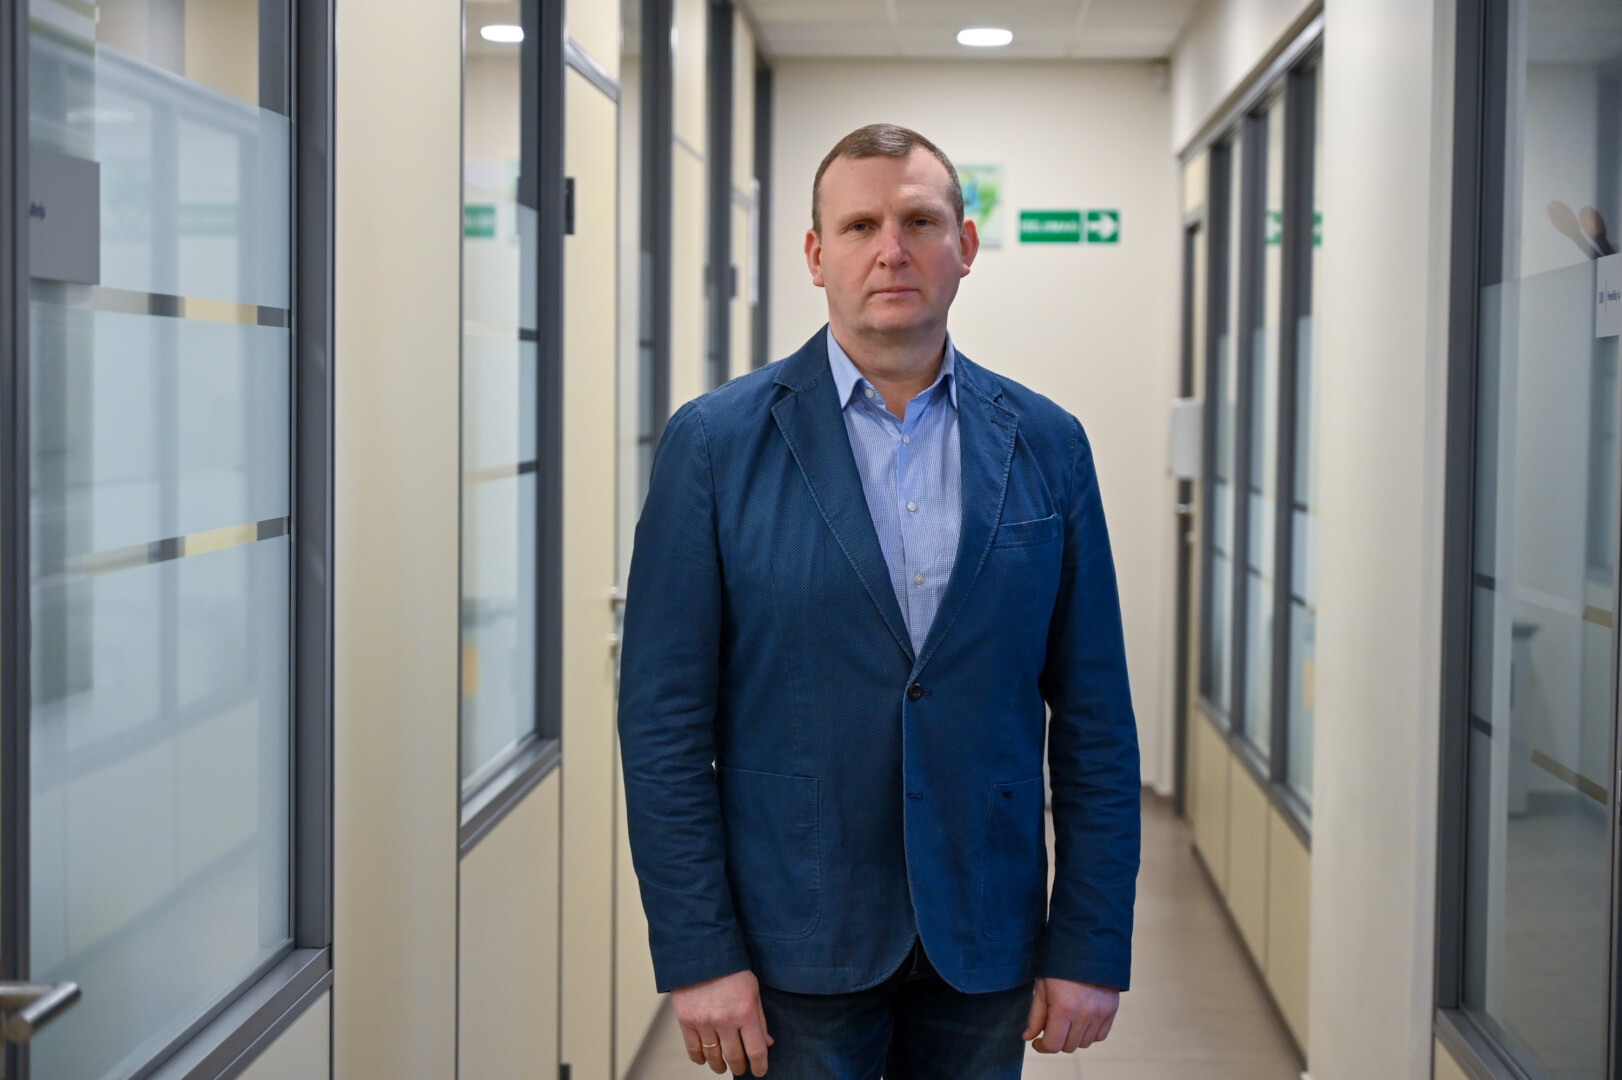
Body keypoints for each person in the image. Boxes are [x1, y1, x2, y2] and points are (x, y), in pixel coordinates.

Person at [618, 123, 1141, 1079]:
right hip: (794, 940)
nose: (891, 250)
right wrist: (700, 951)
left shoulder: (1047, 442)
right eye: (859, 226)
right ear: (816, 255)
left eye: (920, 222)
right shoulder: (715, 445)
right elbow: (662, 726)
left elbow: (1097, 719)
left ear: (965, 246)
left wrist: (1090, 942)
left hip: (985, 933)